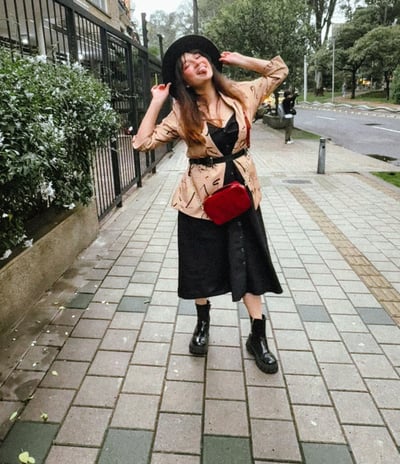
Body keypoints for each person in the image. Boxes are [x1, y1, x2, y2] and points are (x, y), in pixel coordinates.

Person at [132, 35, 288, 374]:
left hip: (242, 195)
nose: (196, 63)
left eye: (199, 56)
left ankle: (257, 336)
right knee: (199, 265)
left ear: (211, 63)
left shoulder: (241, 93)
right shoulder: (181, 112)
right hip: (200, 202)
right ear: (184, 80)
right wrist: (157, 101)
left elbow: (278, 71)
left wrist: (239, 59)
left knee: (250, 261)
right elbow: (142, 143)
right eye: (187, 65)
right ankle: (203, 324)